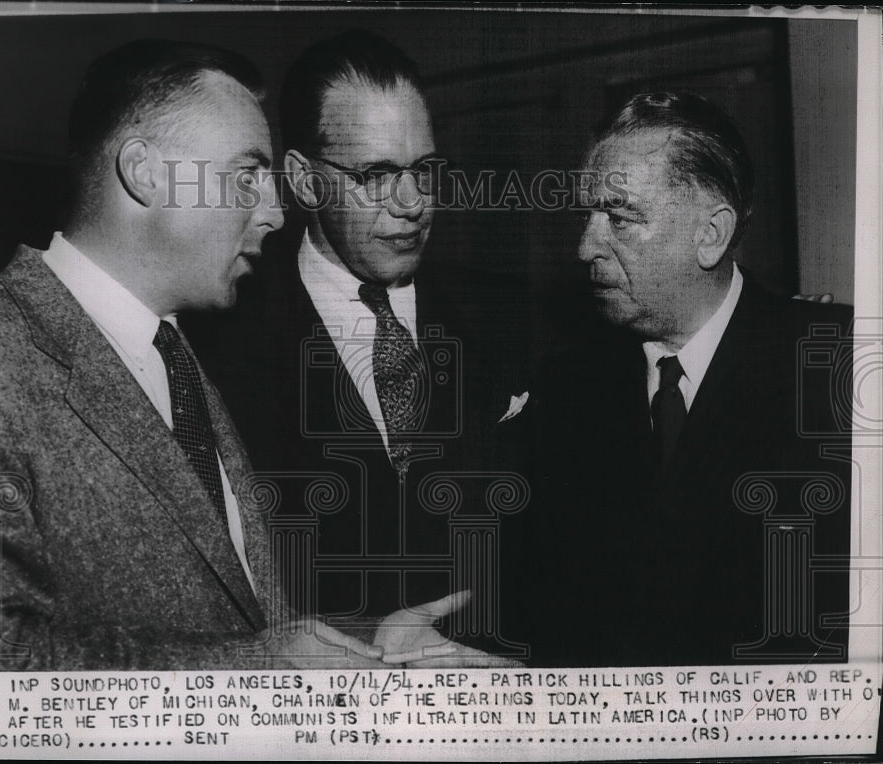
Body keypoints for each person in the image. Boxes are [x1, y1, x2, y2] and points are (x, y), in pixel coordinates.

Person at [0, 39, 388, 670]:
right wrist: (257, 669)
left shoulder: (181, 356)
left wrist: (369, 644)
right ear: (144, 172)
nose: (273, 212)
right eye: (248, 176)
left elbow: (228, 613)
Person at [182, 30, 531, 664]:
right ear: (304, 180)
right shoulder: (210, 347)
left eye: (424, 171)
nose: (413, 204)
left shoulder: (519, 321)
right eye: (375, 176)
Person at [510, 91, 853, 666]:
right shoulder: (567, 388)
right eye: (587, 216)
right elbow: (545, 597)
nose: (585, 246)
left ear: (710, 235)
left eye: (619, 217)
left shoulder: (837, 369)